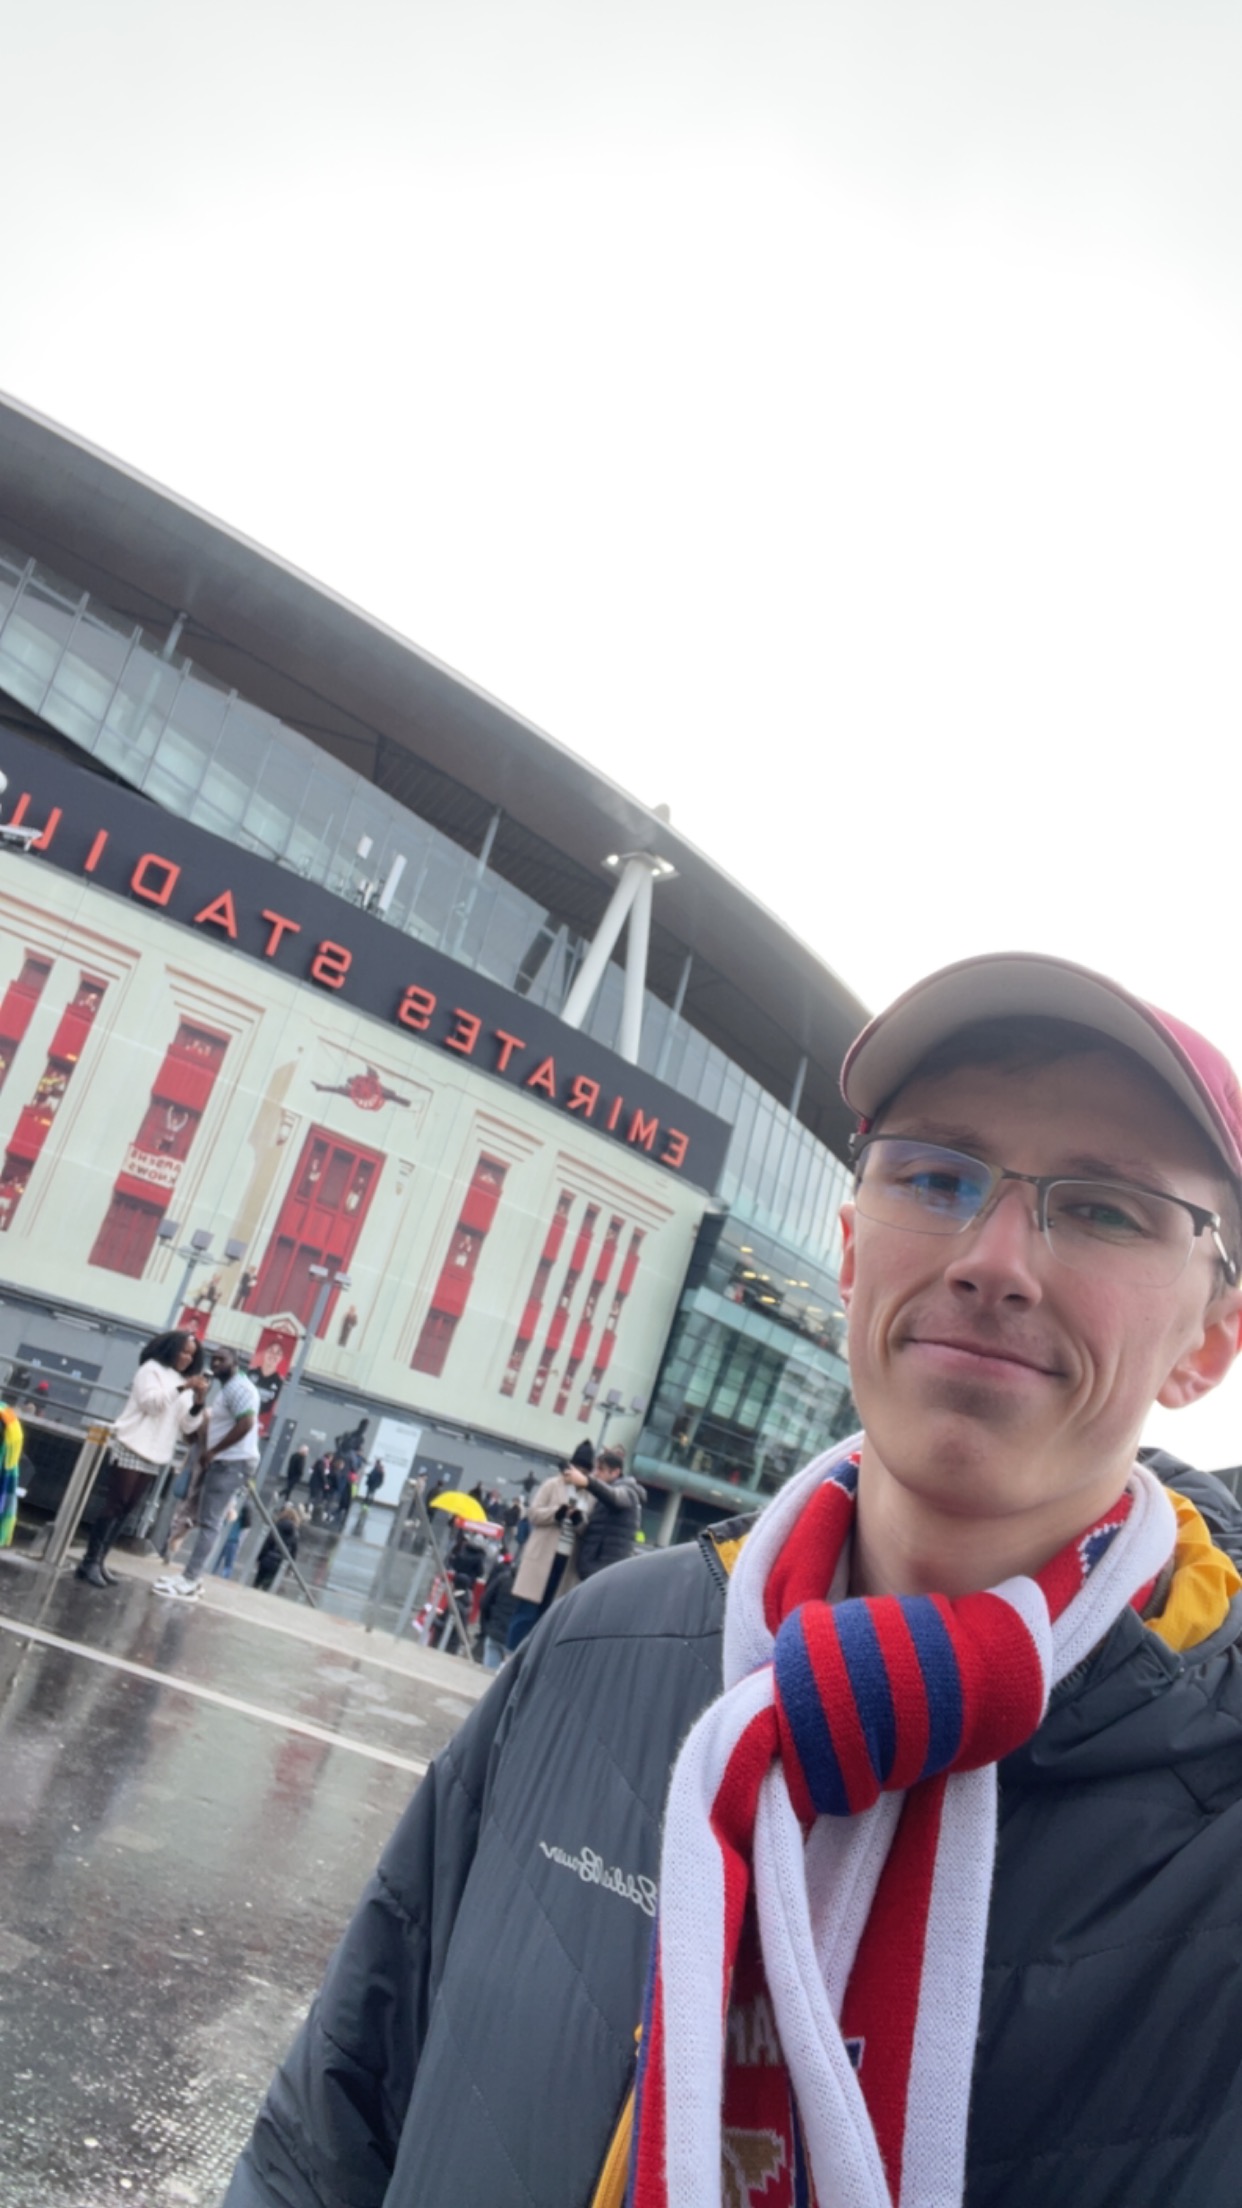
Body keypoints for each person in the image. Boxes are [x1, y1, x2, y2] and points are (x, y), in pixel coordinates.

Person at [224, 952, 1242, 2208]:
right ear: (853, 1249)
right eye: (936, 1175)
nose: (995, 1259)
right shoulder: (604, 1649)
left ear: (1210, 1338)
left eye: (1103, 1208)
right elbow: (331, 2132)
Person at [75, 1331, 208, 1589]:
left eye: (191, 1355)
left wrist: (198, 1403)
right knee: (116, 1503)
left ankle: (100, 1560)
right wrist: (183, 1388)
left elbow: (188, 1426)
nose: (186, 1358)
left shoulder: (183, 1382)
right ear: (171, 1348)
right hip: (132, 1442)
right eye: (183, 1351)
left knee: (127, 1508)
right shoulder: (151, 1369)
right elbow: (152, 1404)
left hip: (157, 1451)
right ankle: (89, 1561)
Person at [154, 1346, 260, 1602]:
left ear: (236, 1362)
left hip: (230, 1462)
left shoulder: (238, 1388)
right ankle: (190, 1577)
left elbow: (246, 1423)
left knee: (210, 1523)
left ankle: (190, 1579)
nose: (216, 1363)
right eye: (214, 1359)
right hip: (228, 1461)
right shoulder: (231, 1388)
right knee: (206, 1520)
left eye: (222, 1359)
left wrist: (214, 1452)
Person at [504, 1448, 590, 1650]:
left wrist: (579, 1520)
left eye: (585, 1471)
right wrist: (557, 1513)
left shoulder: (589, 1495)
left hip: (566, 1561)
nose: (580, 1473)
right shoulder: (552, 1485)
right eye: (578, 1468)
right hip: (542, 1556)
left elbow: (588, 1528)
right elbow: (533, 1513)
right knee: (527, 1610)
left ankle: (531, 1659)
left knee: (550, 1614)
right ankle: (511, 1655)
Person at [569, 1444, 647, 1579]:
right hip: (594, 1569)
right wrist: (576, 1518)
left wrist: (587, 1482)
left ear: (615, 1472)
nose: (595, 1474)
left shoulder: (628, 1491)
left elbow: (615, 1497)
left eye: (601, 1469)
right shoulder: (601, 1497)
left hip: (605, 1570)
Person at [254, 1505, 302, 1593]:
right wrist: (290, 1568)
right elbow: (293, 1552)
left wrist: (259, 1558)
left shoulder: (276, 1527)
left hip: (267, 1559)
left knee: (256, 1584)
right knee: (267, 1587)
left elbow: (267, 1544)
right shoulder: (295, 1534)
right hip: (279, 1563)